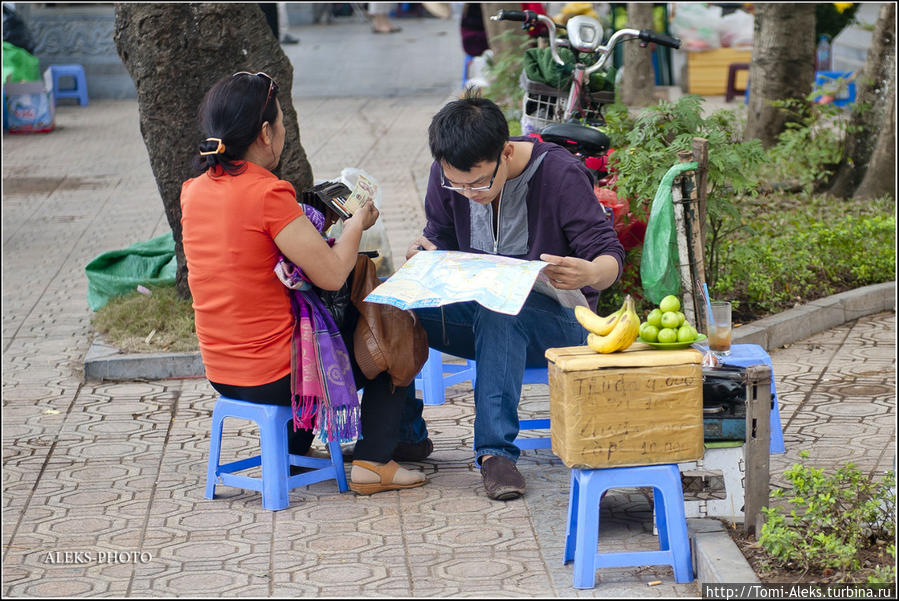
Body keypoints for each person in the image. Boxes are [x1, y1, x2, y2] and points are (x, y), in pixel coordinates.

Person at [180, 71, 426, 494]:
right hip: (278, 372)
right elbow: (331, 272)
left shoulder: (193, 190)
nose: (283, 133)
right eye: (280, 125)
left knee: (310, 324)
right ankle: (373, 460)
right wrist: (356, 223)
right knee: (394, 325)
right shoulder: (267, 193)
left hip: (222, 368)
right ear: (264, 134)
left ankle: (295, 450)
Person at [403, 92, 625, 500]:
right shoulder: (447, 175)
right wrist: (424, 256)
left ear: (506, 152)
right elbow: (440, 234)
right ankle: (404, 434)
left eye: (479, 182)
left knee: (501, 310)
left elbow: (609, 255)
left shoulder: (560, 173)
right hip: (477, 314)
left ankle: (495, 455)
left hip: (558, 324)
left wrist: (591, 271)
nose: (468, 193)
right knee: (394, 307)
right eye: (457, 184)